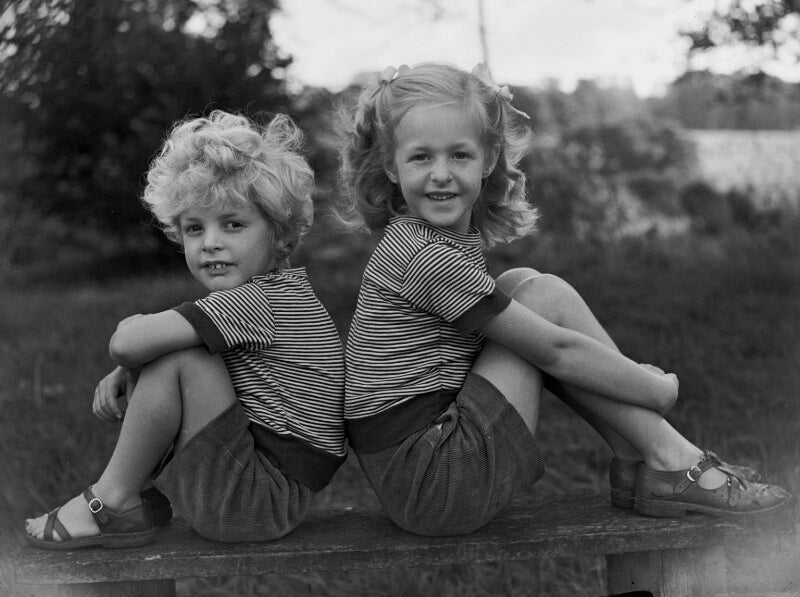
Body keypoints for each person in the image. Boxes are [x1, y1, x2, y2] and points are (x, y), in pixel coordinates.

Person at [337, 62, 790, 536]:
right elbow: (557, 351)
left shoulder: (423, 243)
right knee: (544, 299)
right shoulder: (422, 257)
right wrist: (652, 388)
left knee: (522, 282)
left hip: (422, 472)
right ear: (391, 166)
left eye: (460, 156)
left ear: (489, 159)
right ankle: (673, 458)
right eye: (421, 158)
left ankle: (640, 456)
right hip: (437, 483)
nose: (441, 175)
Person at [25, 110, 346, 549]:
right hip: (261, 494)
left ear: (283, 237)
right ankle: (133, 497)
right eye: (194, 228)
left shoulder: (257, 302)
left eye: (233, 224)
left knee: (181, 355)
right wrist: (139, 358)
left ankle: (110, 500)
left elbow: (124, 343)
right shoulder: (276, 295)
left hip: (254, 502)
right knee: (178, 346)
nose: (210, 241)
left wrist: (135, 340)